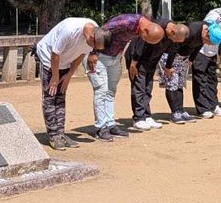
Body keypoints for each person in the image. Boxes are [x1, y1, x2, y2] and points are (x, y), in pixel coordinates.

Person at [34, 17, 108, 151]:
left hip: (66, 61)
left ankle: (60, 134)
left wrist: (68, 75)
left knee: (61, 96)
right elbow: (55, 54)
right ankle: (53, 135)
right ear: (91, 37)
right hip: (48, 58)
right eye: (94, 47)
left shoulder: (95, 30)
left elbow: (81, 55)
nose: (93, 50)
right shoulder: (70, 29)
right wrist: (55, 77)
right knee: (50, 96)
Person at [95, 13, 164, 140]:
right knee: (101, 92)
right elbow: (100, 31)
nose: (145, 41)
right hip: (100, 57)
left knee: (110, 92)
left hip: (115, 57)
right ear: (146, 30)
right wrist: (93, 53)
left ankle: (110, 124)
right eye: (147, 40)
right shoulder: (127, 22)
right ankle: (101, 127)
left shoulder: (142, 26)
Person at [126, 18, 184, 131]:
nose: (174, 42)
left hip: (151, 60)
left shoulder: (174, 36)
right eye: (174, 39)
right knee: (139, 87)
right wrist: (133, 63)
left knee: (148, 88)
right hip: (137, 59)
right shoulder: (156, 26)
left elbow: (172, 51)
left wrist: (168, 67)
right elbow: (140, 42)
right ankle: (138, 118)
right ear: (172, 32)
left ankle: (147, 116)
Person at [160, 20, 205, 124]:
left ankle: (181, 110)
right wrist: (168, 67)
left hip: (183, 58)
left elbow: (198, 46)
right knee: (172, 83)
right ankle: (174, 112)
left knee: (180, 84)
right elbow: (173, 49)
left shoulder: (201, 37)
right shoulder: (187, 33)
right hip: (169, 58)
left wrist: (191, 59)